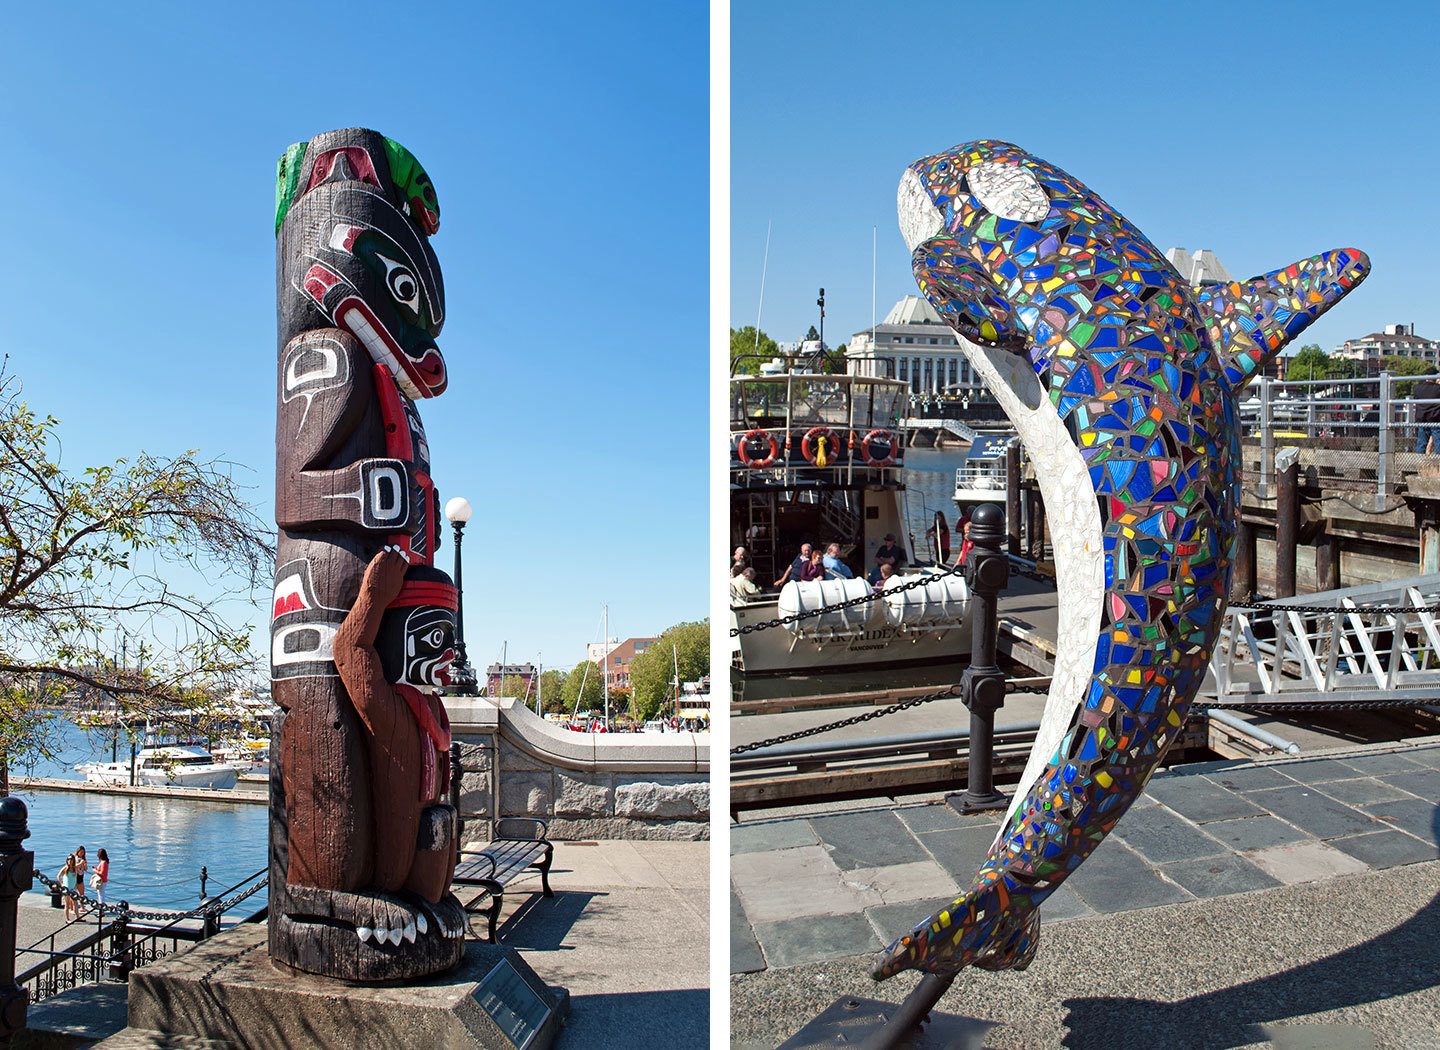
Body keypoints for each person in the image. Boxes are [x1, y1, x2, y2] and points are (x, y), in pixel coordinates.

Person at [1416, 377, 1440, 454]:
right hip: (1435, 418)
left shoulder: (1418, 388)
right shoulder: (1438, 388)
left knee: (1421, 442)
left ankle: (1419, 462)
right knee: (1438, 442)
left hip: (1422, 418)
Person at [59, 854, 78, 921]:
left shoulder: (75, 868)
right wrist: (62, 885)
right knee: (67, 904)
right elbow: (59, 876)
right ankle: (67, 919)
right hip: (66, 889)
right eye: (69, 860)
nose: (70, 861)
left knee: (75, 903)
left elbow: (75, 878)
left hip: (73, 888)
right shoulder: (65, 868)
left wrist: (75, 886)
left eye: (71, 860)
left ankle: (77, 917)